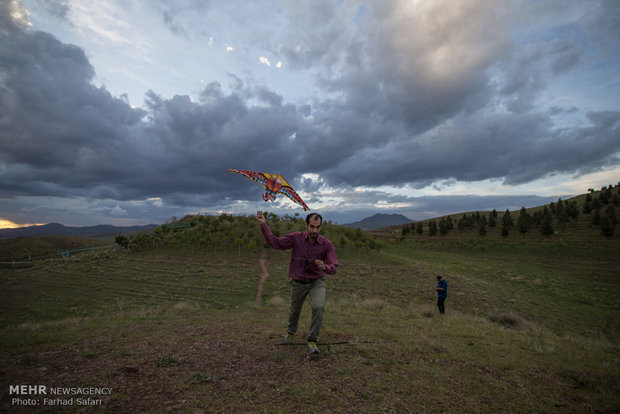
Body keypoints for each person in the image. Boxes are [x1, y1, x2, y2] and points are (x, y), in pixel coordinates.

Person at [256, 211, 338, 354]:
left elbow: (333, 266)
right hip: (298, 282)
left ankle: (312, 341)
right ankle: (290, 332)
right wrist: (264, 224)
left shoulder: (326, 244)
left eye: (318, 227)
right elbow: (275, 243)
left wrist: (326, 267)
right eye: (312, 226)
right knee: (294, 310)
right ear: (306, 225)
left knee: (318, 307)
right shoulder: (296, 238)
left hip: (316, 281)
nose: (314, 230)